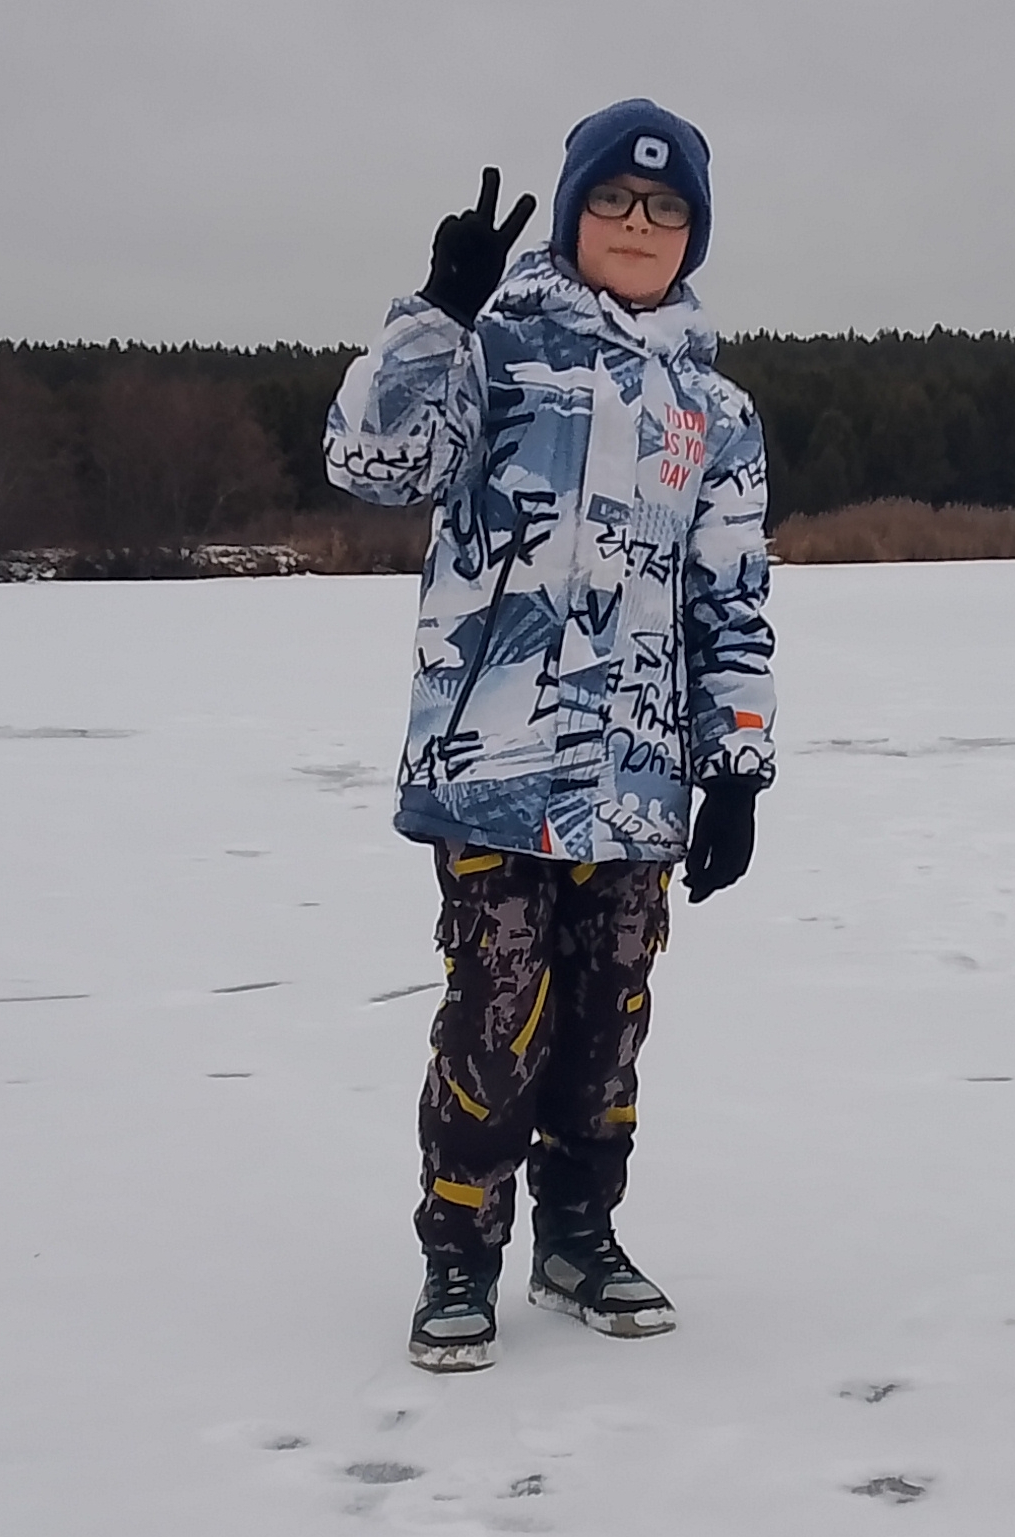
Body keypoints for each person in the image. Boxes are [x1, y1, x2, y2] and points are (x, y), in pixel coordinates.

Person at [324, 98, 777, 1372]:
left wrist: (735, 767)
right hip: (492, 770)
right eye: (615, 203)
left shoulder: (717, 414)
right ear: (575, 211)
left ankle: (581, 1239)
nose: (639, 225)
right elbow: (374, 464)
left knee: (606, 1019)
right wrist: (429, 315)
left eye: (667, 208)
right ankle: (458, 1257)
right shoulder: (489, 354)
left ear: (693, 237)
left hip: (636, 783)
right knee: (495, 1014)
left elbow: (729, 602)